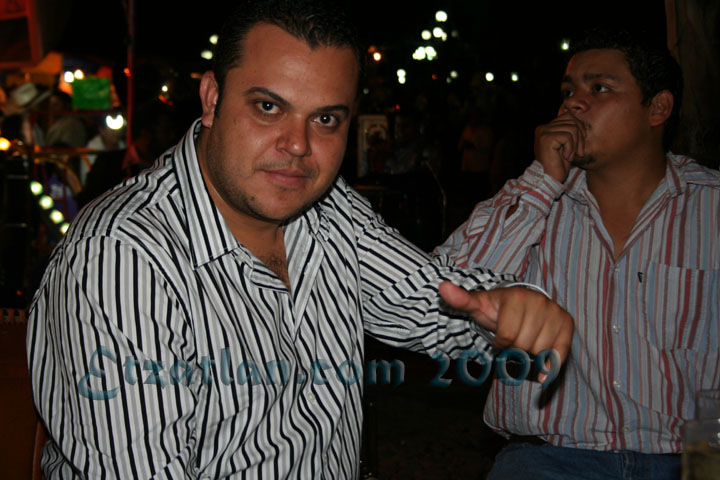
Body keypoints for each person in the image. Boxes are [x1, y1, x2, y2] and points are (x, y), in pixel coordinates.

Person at [26, 1, 573, 478]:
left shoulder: (328, 210)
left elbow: (434, 305)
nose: (298, 145)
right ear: (212, 98)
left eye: (326, 119)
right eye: (269, 107)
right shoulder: (123, 257)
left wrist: (510, 312)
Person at [436, 27, 719, 479]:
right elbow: (439, 293)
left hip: (690, 458)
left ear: (658, 108)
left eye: (599, 88)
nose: (573, 104)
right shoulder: (535, 202)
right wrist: (542, 180)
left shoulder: (710, 206)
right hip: (551, 457)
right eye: (568, 92)